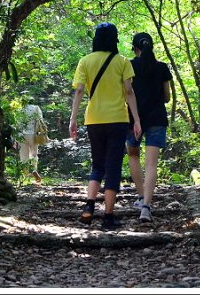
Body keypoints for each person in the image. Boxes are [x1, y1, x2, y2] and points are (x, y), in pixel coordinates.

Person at [69, 22, 142, 229]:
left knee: (97, 164)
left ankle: (89, 206)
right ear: (115, 40)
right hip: (118, 119)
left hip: (94, 120)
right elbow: (129, 92)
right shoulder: (123, 61)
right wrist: (136, 119)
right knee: (113, 167)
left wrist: (73, 118)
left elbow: (80, 91)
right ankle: (108, 216)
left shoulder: (85, 61)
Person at [126, 32, 173, 223]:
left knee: (133, 155)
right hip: (157, 118)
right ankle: (146, 205)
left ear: (134, 48)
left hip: (132, 119)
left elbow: (126, 93)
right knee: (152, 163)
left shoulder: (128, 66)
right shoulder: (162, 67)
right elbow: (167, 96)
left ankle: (139, 197)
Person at [15, 103, 45, 183]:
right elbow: (40, 120)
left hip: (21, 135)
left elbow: (16, 123)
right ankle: (34, 170)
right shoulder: (36, 108)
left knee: (23, 156)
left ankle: (26, 176)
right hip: (33, 134)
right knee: (34, 154)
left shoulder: (19, 109)